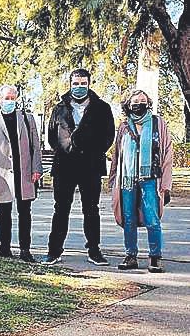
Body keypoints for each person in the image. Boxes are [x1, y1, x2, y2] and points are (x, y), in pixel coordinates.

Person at [44, 68, 116, 266]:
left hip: (91, 166)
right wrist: (66, 149)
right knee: (61, 209)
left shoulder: (102, 108)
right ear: (70, 84)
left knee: (91, 209)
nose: (79, 87)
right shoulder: (59, 108)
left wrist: (90, 151)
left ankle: (94, 251)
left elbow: (108, 136)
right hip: (64, 166)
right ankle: (54, 250)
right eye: (76, 84)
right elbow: (52, 136)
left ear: (89, 84)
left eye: (83, 84)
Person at [109, 89, 173, 273]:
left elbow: (167, 153)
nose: (139, 104)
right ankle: (131, 256)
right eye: (135, 101)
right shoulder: (123, 127)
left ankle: (155, 257)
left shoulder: (157, 123)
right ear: (128, 104)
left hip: (151, 179)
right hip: (127, 180)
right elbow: (116, 155)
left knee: (152, 219)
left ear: (148, 103)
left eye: (143, 101)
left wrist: (166, 185)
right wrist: (113, 179)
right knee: (128, 219)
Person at [0, 84, 43, 262]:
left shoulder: (27, 119)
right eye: (6, 98)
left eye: (12, 98)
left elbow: (35, 146)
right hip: (2, 175)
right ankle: (4, 247)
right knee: (4, 212)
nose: (9, 101)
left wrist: (36, 169)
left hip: (24, 172)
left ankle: (25, 249)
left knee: (25, 212)